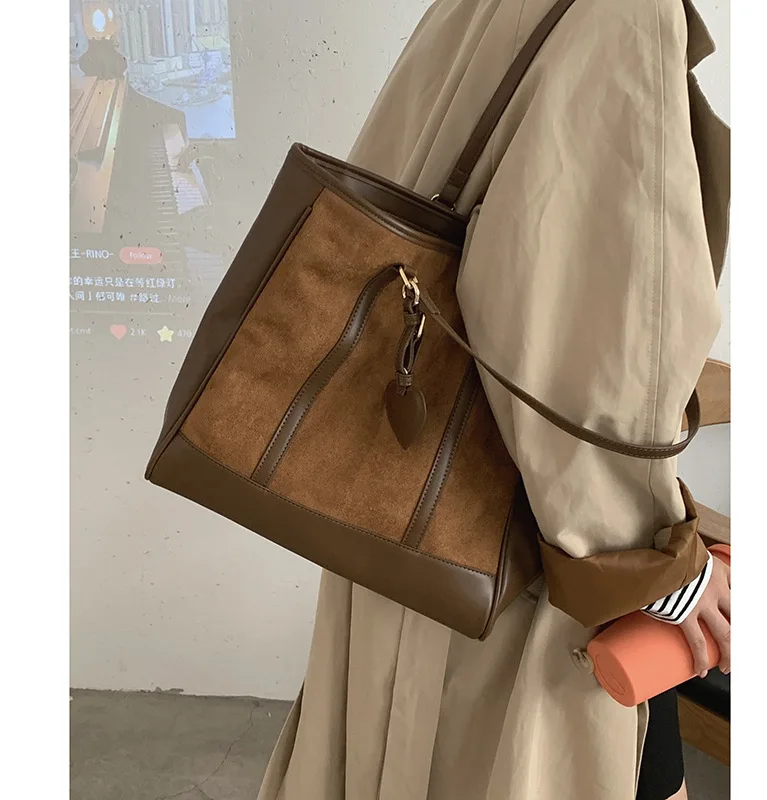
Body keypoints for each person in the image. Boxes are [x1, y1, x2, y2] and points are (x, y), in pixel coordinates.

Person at [257, 0, 730, 798]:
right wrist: (656, 565)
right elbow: (585, 357)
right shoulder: (626, 18)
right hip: (520, 544)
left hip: (403, 501)